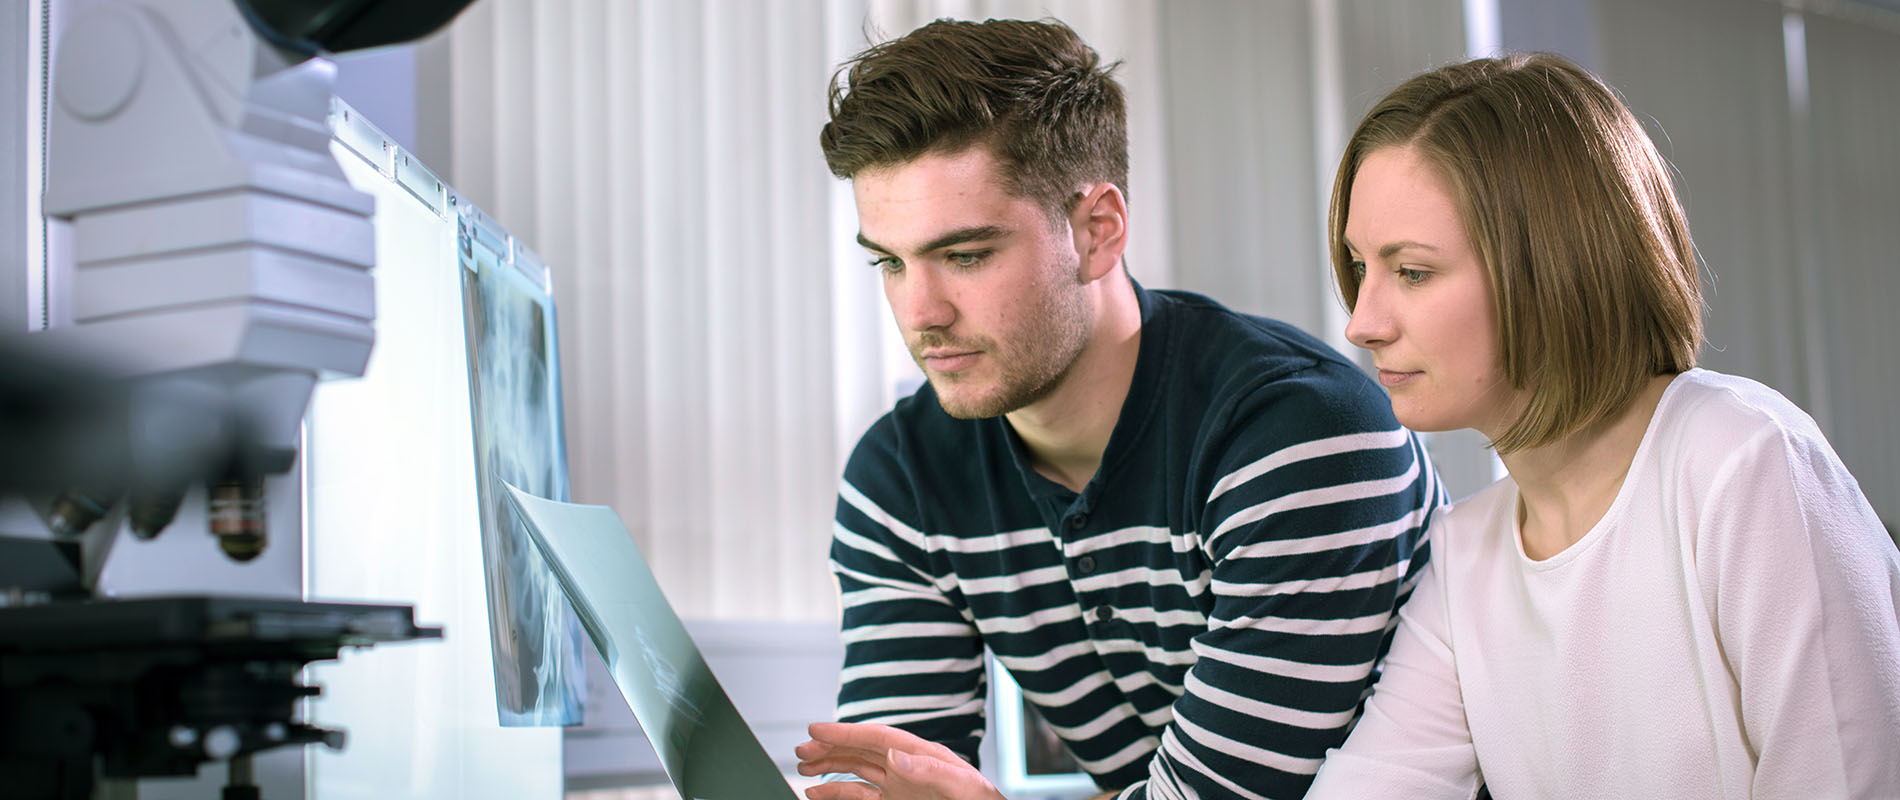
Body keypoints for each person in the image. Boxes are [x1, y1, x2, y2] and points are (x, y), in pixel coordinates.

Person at [793, 17, 1443, 800]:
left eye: (964, 256)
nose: (919, 311)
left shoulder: (1299, 435)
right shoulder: (901, 478)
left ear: (1098, 230)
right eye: (891, 263)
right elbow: (894, 780)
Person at [1304, 52, 1900, 799]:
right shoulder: (1466, 555)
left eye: (1413, 272)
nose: (1362, 322)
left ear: (1554, 265)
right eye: (1360, 266)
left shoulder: (1742, 464)